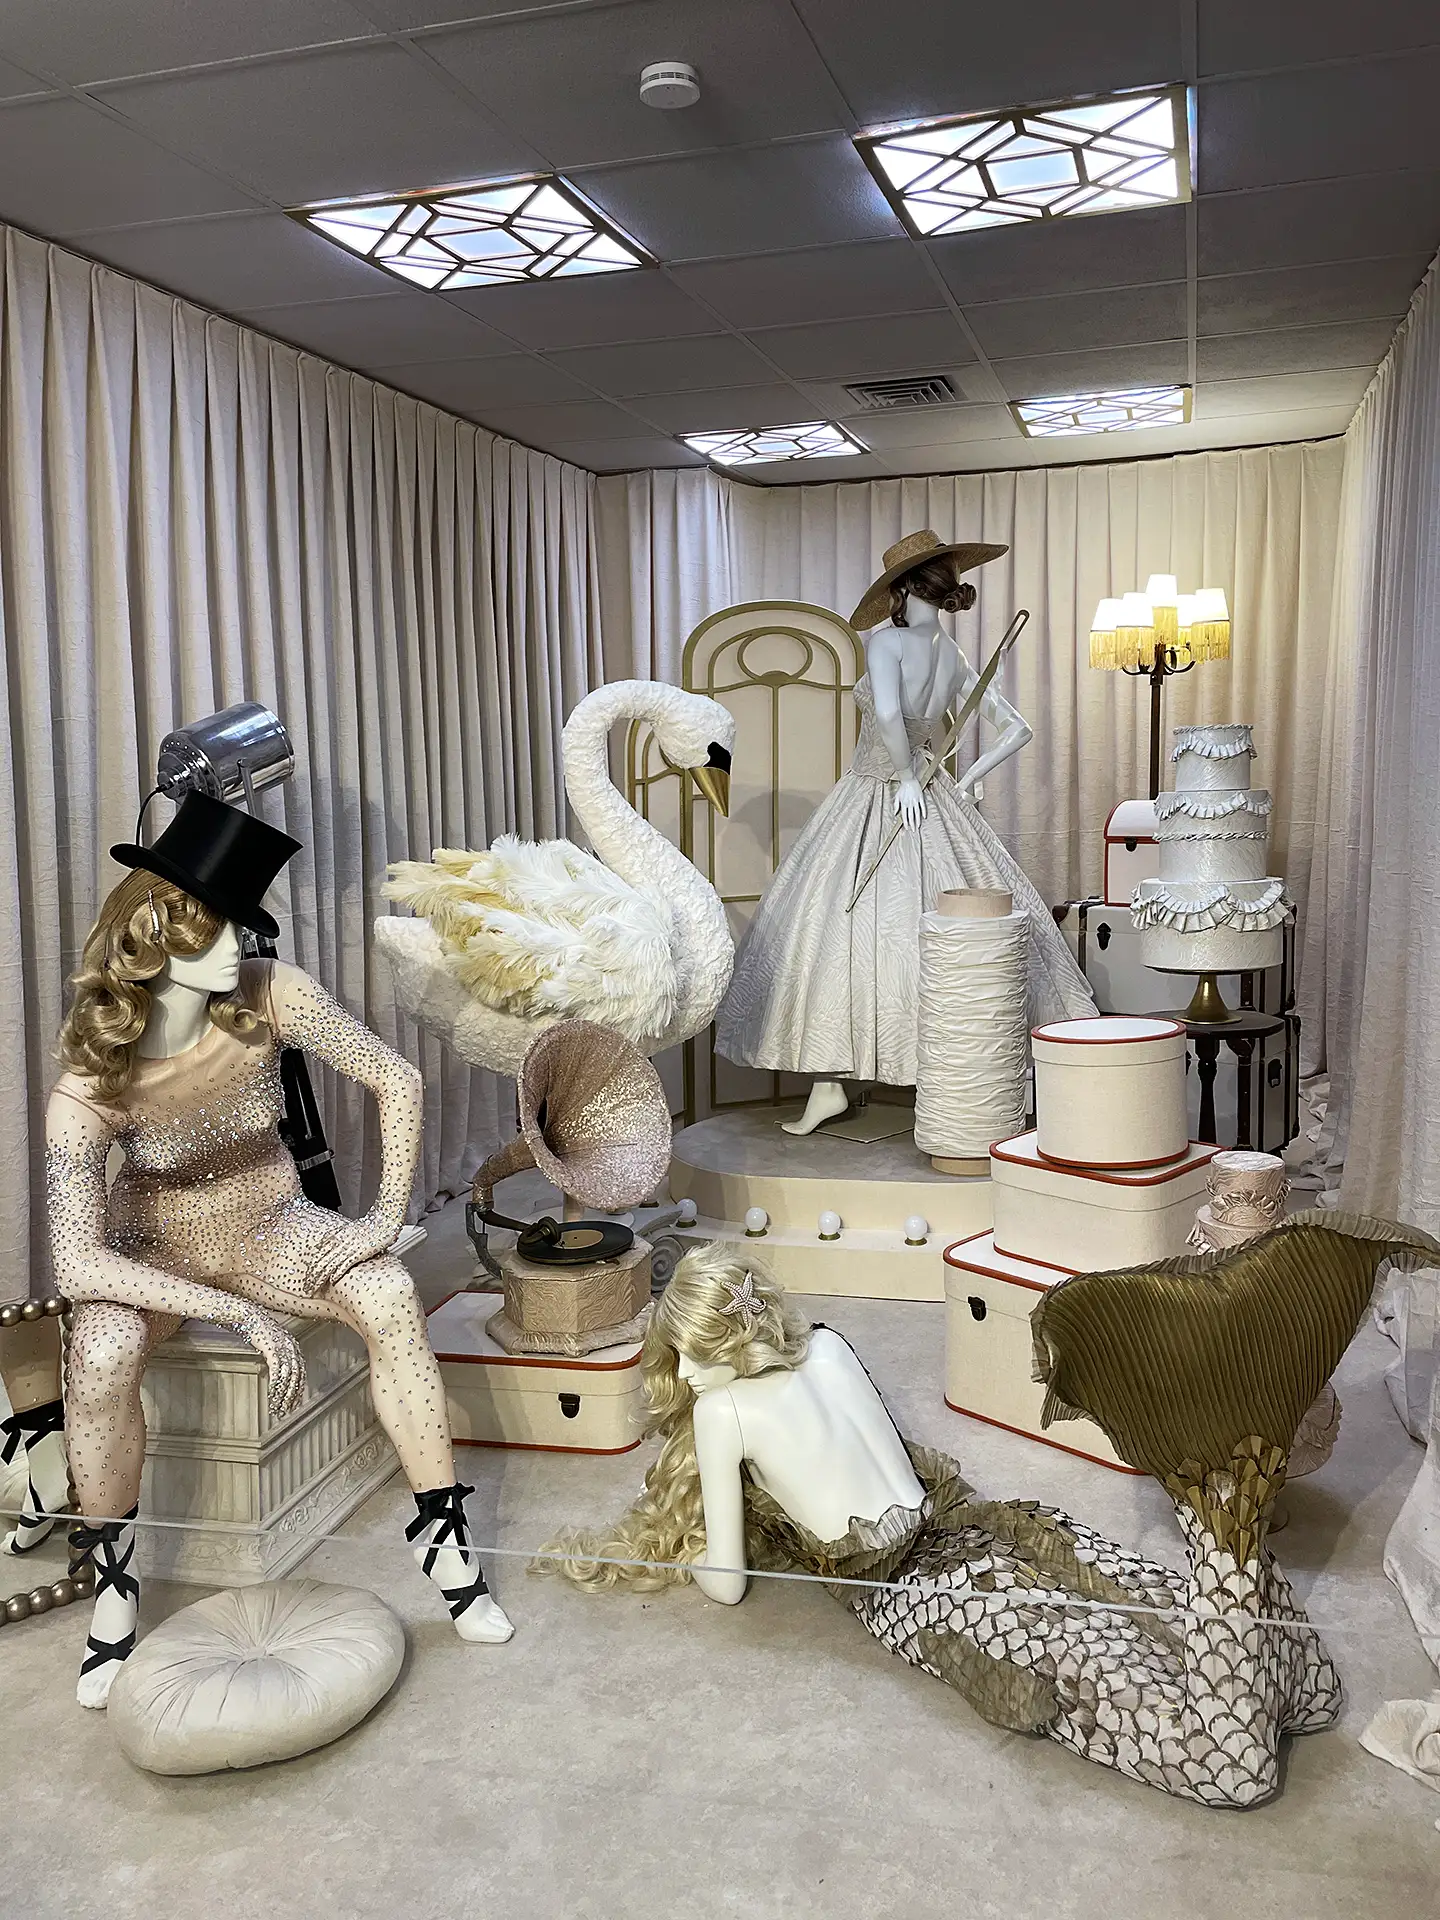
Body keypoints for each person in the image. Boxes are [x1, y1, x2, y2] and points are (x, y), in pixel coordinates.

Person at [543, 1228, 1440, 1808]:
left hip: (931, 1596)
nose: (680, 1375)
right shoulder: (831, 1345)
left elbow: (729, 1588)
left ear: (710, 1350)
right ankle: (1238, 1516)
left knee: (1228, 1769)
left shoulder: (723, 1411)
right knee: (1203, 1637)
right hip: (987, 1527)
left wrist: (712, 1525)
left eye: (681, 1355)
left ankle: (1220, 1512)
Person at [46, 792, 511, 1708]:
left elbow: (397, 1079)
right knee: (99, 1349)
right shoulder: (89, 1083)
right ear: (154, 932)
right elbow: (79, 1265)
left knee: (386, 1291)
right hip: (152, 1249)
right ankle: (113, 1583)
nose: (239, 944)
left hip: (271, 1222)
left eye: (242, 923)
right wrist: (235, 1311)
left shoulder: (272, 993)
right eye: (217, 925)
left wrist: (379, 1220)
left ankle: (443, 1539)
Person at [715, 529, 1094, 1136]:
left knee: (841, 928)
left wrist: (909, 780)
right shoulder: (955, 656)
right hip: (929, 796)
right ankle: (896, 1082)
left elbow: (889, 712)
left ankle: (838, 1084)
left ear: (902, 589)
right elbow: (1016, 729)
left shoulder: (887, 643)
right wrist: (962, 779)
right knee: (899, 931)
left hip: (880, 791)